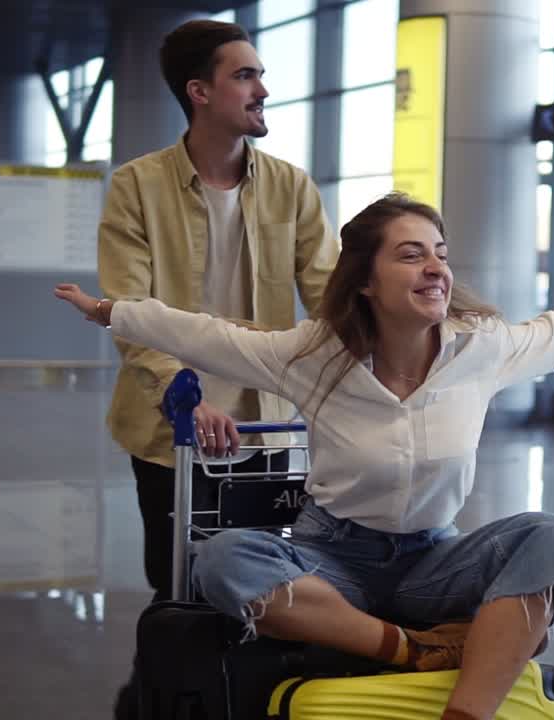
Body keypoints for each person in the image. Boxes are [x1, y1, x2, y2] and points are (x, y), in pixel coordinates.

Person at [57, 193, 554, 720]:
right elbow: (208, 336)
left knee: (551, 536)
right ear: (366, 283)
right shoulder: (313, 355)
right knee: (225, 560)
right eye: (411, 255)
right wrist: (110, 311)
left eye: (440, 255)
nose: (435, 267)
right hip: (332, 558)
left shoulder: (482, 349)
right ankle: (413, 650)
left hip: (433, 561)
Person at [99, 18, 338, 603]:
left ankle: (243, 683)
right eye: (245, 75)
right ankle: (177, 684)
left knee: (257, 574)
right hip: (170, 426)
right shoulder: (137, 186)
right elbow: (129, 309)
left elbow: (329, 294)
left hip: (266, 425)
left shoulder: (292, 187)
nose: (262, 90)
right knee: (177, 577)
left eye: (260, 75)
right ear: (198, 92)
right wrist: (184, 392)